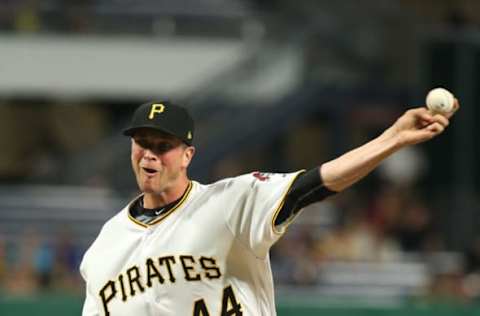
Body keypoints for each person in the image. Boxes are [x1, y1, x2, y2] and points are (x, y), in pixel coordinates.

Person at [80, 100, 459, 316]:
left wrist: (391, 139)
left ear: (187, 156)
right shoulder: (105, 247)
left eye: (162, 145)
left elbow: (314, 184)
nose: (150, 154)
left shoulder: (229, 201)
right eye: (141, 143)